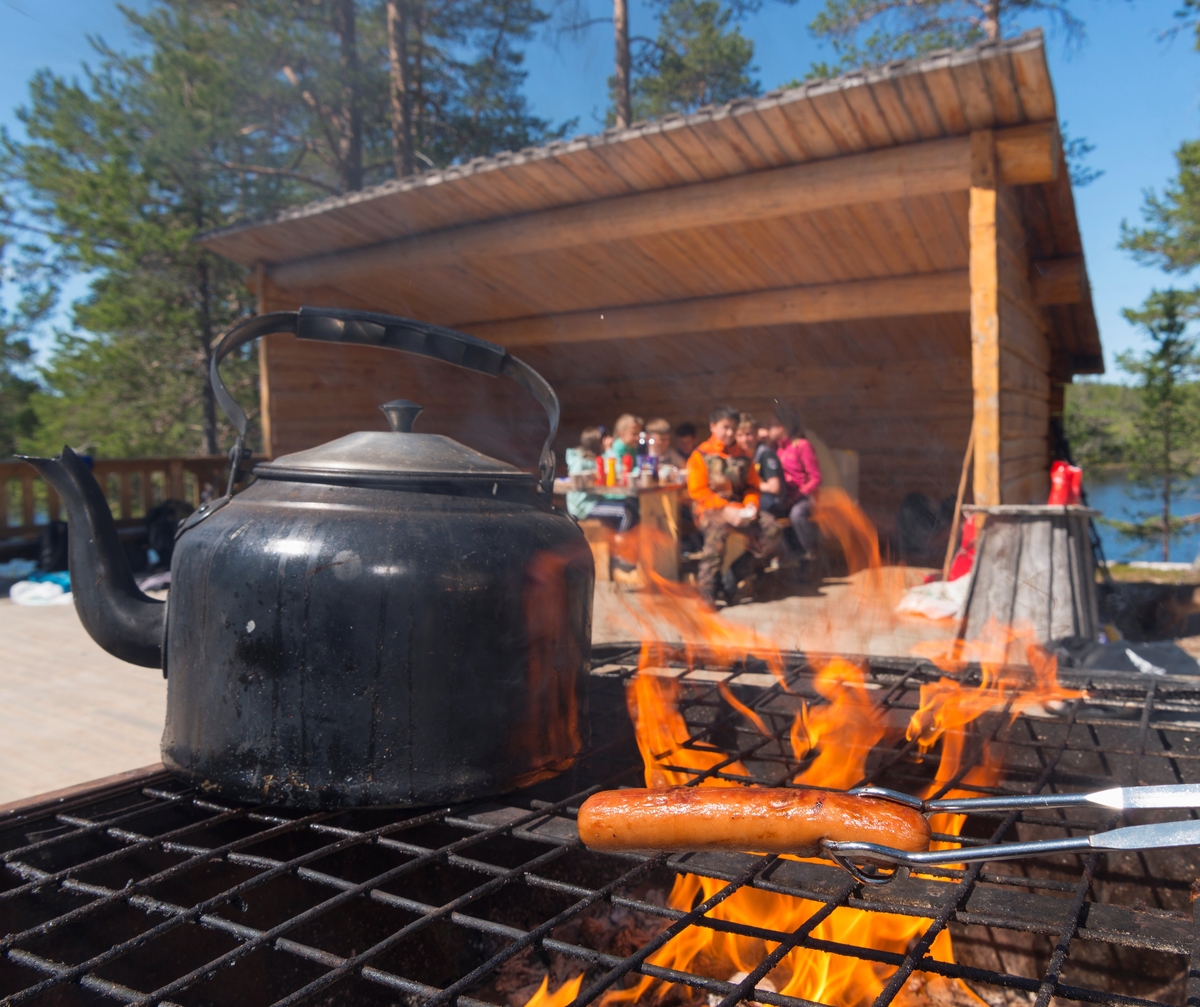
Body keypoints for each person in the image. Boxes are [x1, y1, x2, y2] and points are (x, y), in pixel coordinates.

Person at [686, 405, 784, 603]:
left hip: (740, 510)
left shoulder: (744, 457)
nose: (730, 433)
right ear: (713, 426)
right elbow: (698, 491)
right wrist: (725, 508)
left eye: (733, 428)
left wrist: (751, 506)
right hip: (708, 509)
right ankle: (707, 590)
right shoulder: (700, 455)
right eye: (725, 427)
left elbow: (752, 487)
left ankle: (735, 574)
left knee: (773, 529)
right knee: (717, 531)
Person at [767, 405, 821, 558]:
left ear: (781, 427)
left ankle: (810, 552)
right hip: (784, 496)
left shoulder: (801, 445)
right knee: (770, 515)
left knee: (797, 515)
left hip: (804, 497)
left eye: (771, 426)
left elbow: (815, 477)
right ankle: (791, 554)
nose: (768, 429)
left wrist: (794, 498)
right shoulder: (774, 448)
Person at [738, 416, 786, 518]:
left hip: (772, 502)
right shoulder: (740, 456)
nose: (744, 439)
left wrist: (748, 484)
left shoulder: (765, 453)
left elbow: (774, 488)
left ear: (756, 434)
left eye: (748, 434)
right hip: (752, 498)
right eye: (740, 435)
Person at [564, 427, 604, 521]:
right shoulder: (581, 461)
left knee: (627, 507)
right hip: (582, 506)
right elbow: (575, 478)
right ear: (596, 444)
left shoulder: (597, 460)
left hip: (593, 502)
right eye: (602, 440)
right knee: (625, 513)